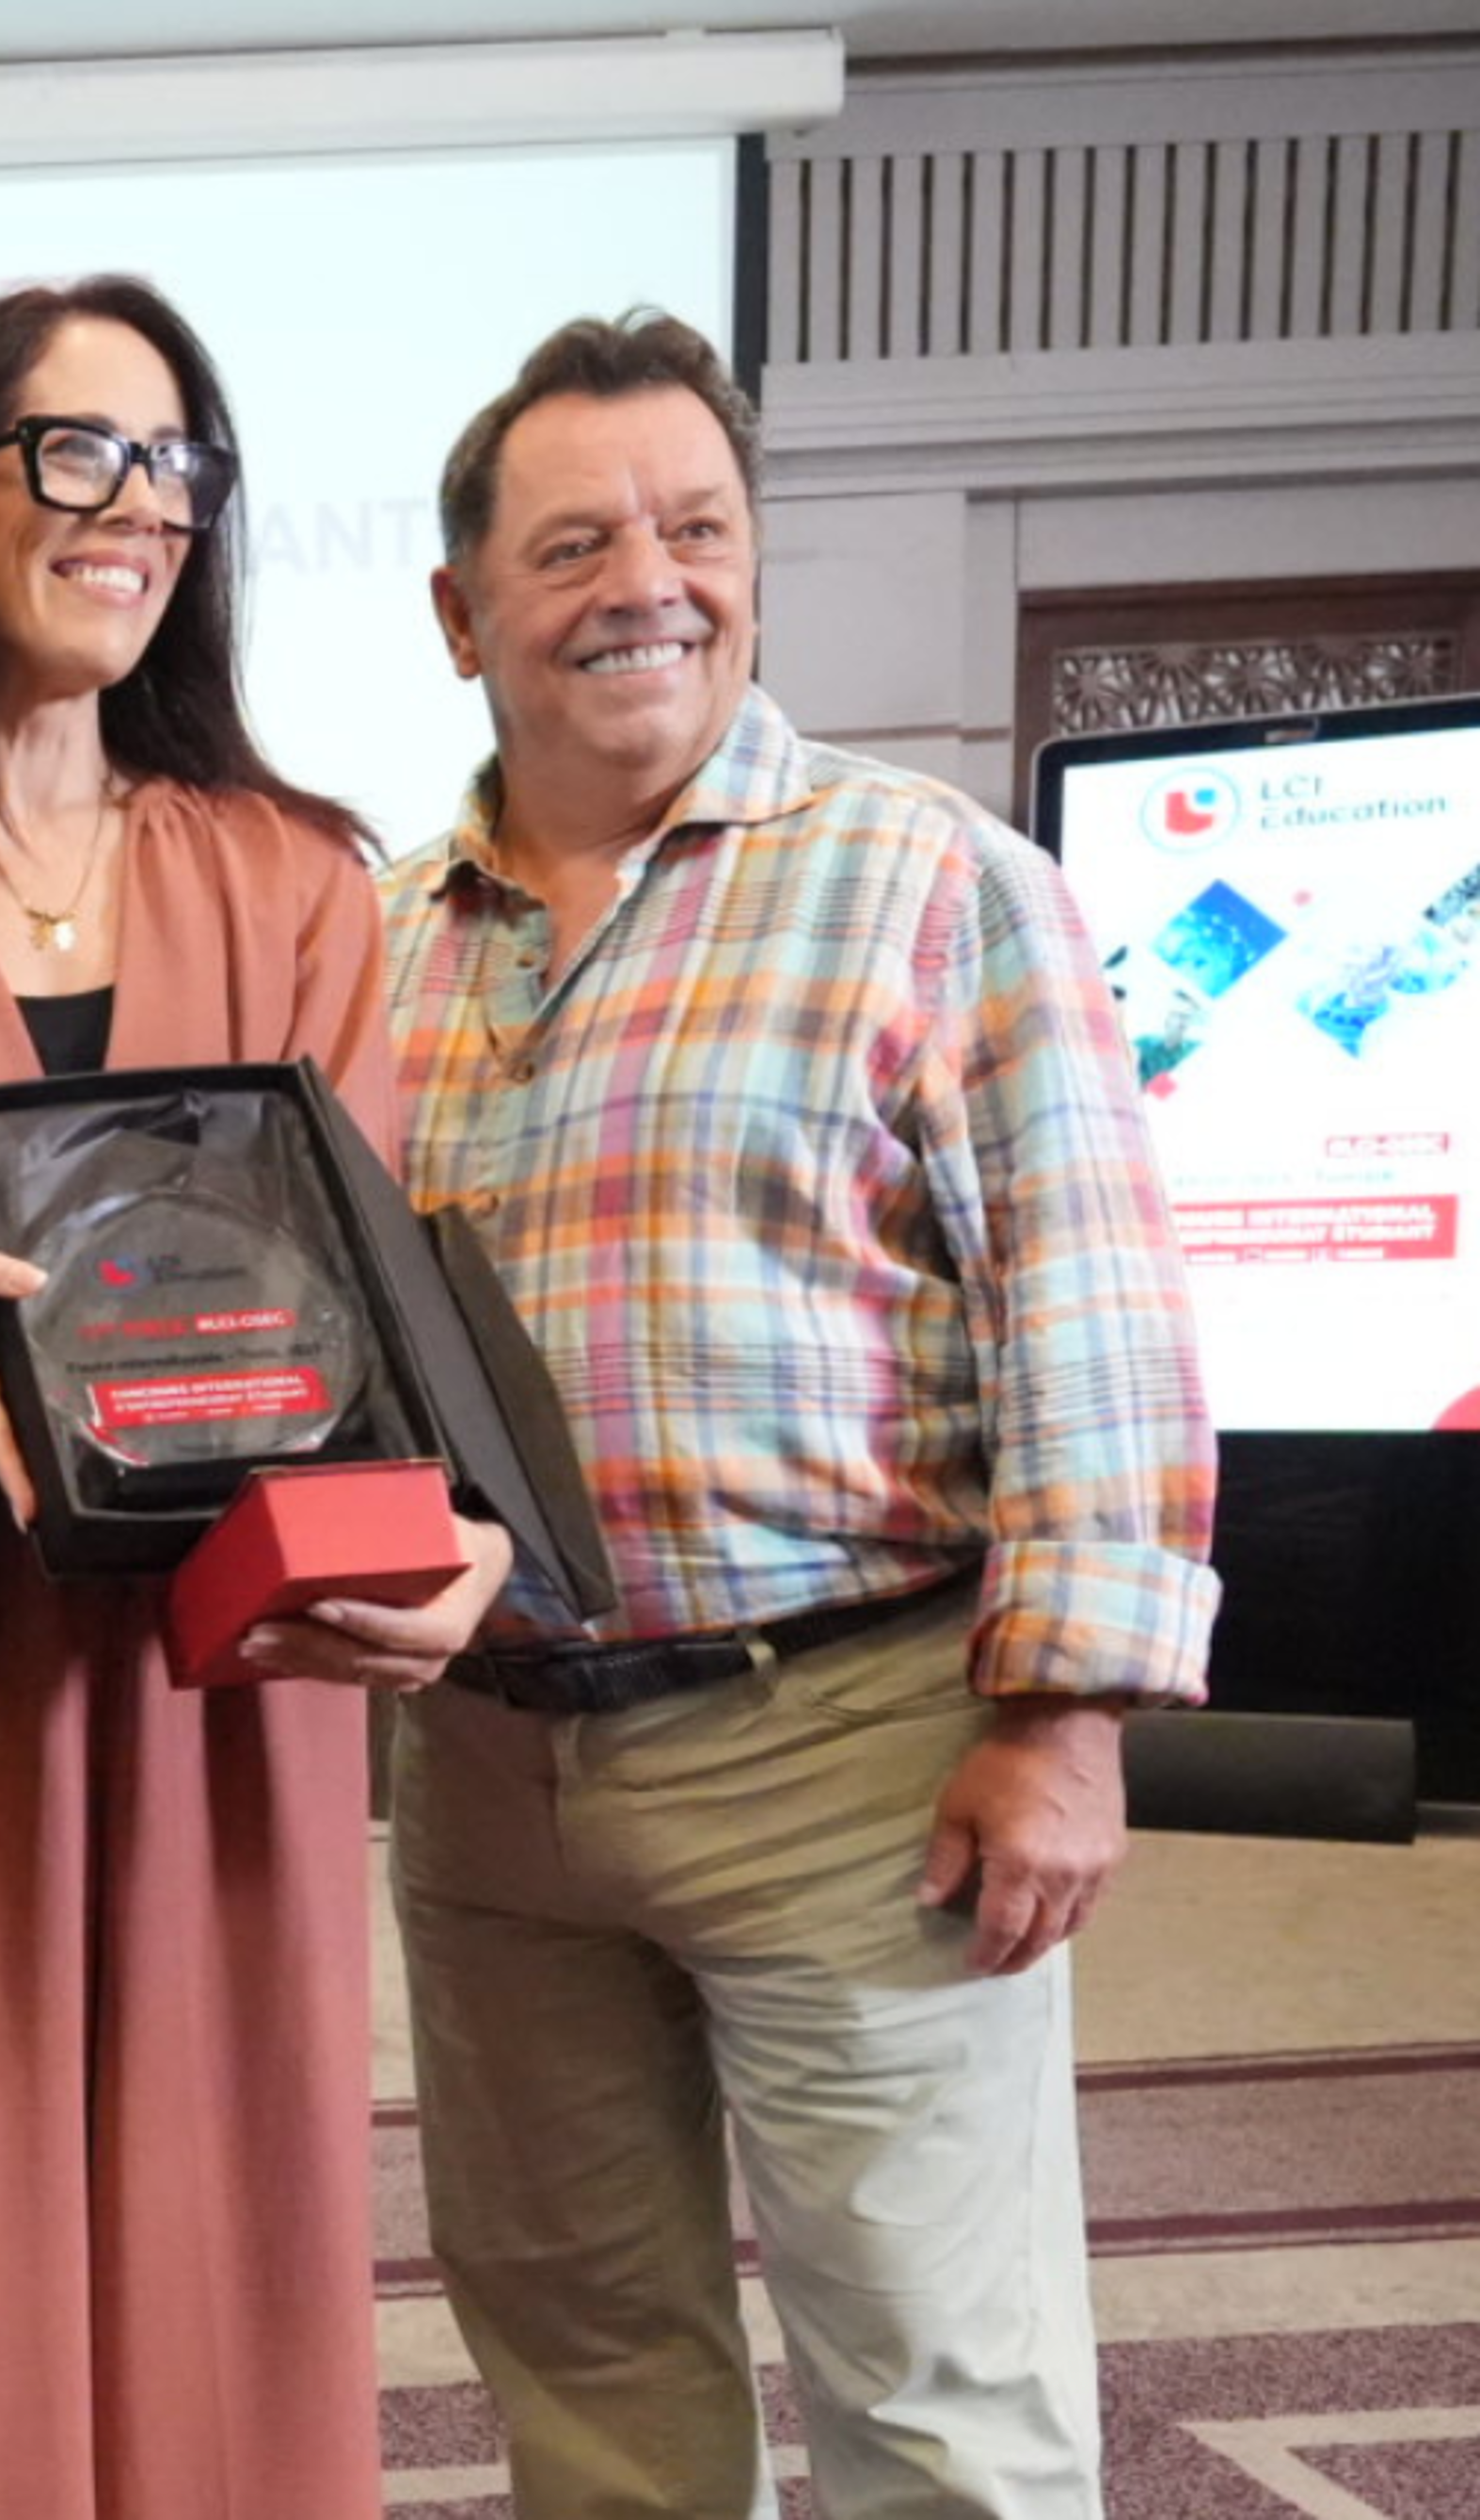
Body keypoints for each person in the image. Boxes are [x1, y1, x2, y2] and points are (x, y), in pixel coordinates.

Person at [371, 311, 1218, 2519]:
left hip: (855, 1747)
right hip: (487, 1767)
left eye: (695, 525)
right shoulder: (371, 949)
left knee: (940, 2401)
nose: (644, 577)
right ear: (464, 611)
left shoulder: (934, 881)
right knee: (584, 2383)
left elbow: (1096, 1313)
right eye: (572, 542)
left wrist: (1071, 1715)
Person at [0, 277, 511, 2520]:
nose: (132, 510)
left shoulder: (290, 872)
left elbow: (357, 1290)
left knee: (226, 2183)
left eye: (174, 467)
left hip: (226, 1653)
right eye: (77, 454)